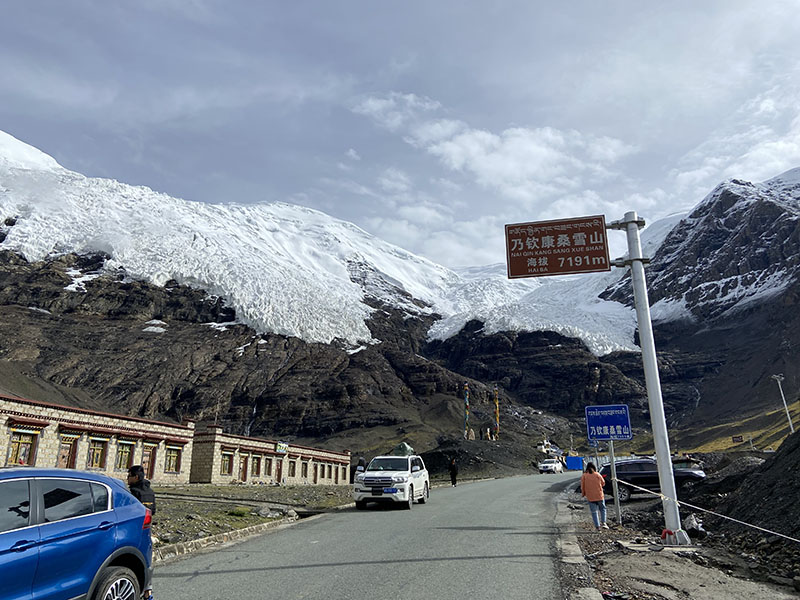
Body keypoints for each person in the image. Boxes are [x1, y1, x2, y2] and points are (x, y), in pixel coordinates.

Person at [127, 465, 156, 600]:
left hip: (132, 530)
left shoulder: (133, 493)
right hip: (146, 530)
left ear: (136, 477)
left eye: (129, 476)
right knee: (146, 561)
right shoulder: (150, 492)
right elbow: (153, 511)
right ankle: (148, 592)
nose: (127, 478)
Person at [580, 462, 608, 530]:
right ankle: (604, 523)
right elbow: (603, 483)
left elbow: (582, 486)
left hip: (590, 497)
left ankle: (597, 526)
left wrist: (583, 494)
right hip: (599, 495)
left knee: (594, 511)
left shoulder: (584, 476)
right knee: (602, 509)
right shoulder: (597, 474)